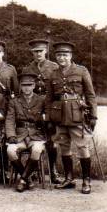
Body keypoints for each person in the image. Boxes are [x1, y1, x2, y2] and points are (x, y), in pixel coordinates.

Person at [45, 42, 97, 194]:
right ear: (56, 57)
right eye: (59, 55)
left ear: (71, 56)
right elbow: (49, 98)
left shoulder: (81, 71)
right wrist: (48, 118)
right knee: (64, 146)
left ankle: (86, 180)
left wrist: (93, 115)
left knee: (82, 146)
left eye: (65, 55)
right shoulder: (53, 74)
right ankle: (69, 178)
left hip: (77, 114)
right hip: (59, 115)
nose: (62, 58)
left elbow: (90, 94)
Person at [23, 38, 62, 184]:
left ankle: (53, 171)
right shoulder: (27, 69)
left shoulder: (54, 67)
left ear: (46, 51)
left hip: (49, 107)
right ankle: (33, 172)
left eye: (40, 51)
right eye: (35, 51)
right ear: (31, 52)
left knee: (51, 141)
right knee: (31, 138)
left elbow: (57, 90)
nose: (38, 54)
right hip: (32, 108)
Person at [5, 72, 47, 192]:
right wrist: (11, 135)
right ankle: (27, 179)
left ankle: (22, 179)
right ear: (20, 86)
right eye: (24, 85)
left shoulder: (41, 100)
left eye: (30, 85)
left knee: (37, 150)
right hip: (20, 136)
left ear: (34, 86)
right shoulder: (14, 101)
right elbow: (9, 120)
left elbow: (48, 118)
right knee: (10, 150)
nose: (27, 88)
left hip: (36, 135)